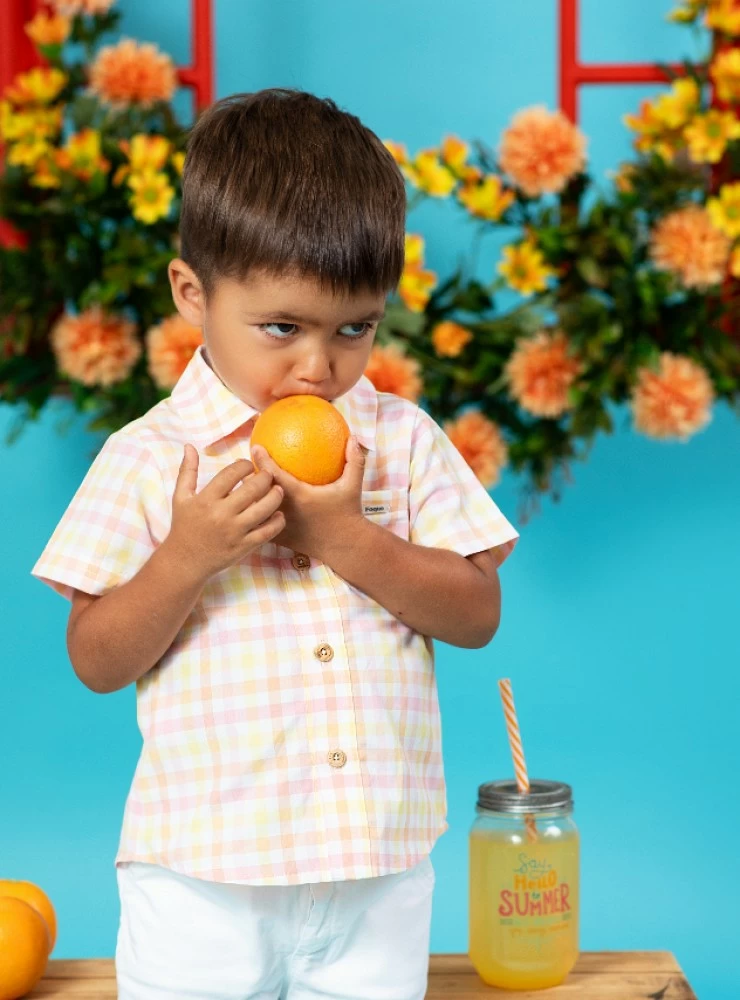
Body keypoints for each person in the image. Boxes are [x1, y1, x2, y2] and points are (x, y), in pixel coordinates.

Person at [32, 89, 519, 1000]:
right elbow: (96, 660)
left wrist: (344, 535)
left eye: (355, 329)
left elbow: (476, 613)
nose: (318, 368)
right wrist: (187, 556)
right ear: (193, 295)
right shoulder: (149, 458)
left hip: (375, 866)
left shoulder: (403, 439)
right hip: (203, 875)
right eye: (282, 328)